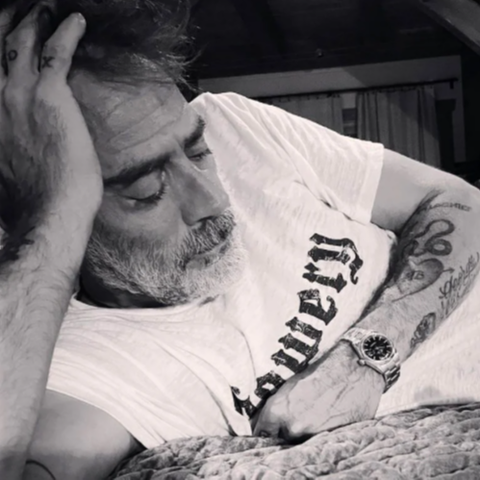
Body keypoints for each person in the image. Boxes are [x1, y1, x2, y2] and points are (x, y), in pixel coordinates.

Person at [1, 1, 480, 479]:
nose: (213, 199)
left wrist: (366, 357)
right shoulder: (78, 366)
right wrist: (47, 226)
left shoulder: (234, 122)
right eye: (147, 190)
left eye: (198, 150)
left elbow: (458, 200)